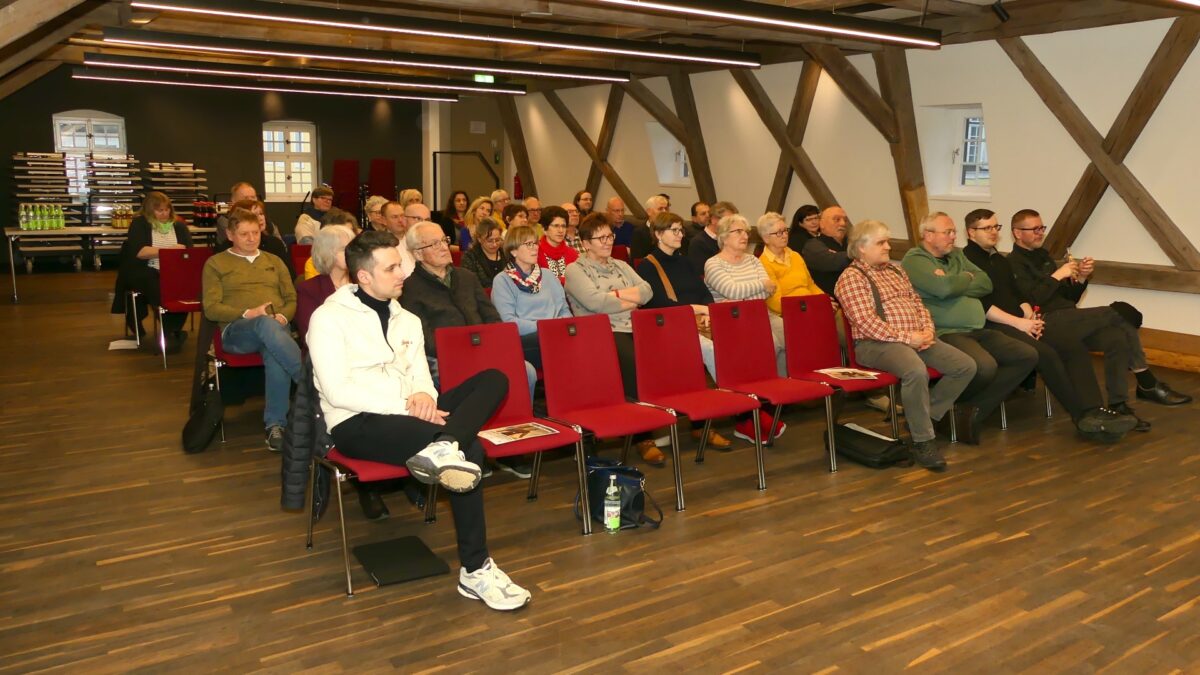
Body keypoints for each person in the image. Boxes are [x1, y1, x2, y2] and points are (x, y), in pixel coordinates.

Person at [307, 230, 530, 611]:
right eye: (392, 268)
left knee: (495, 379)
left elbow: (420, 377)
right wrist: (407, 404)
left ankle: (444, 444)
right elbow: (337, 391)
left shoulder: (406, 318)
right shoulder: (328, 319)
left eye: (400, 265)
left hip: (412, 410)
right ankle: (475, 570)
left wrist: (425, 395)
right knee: (471, 449)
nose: (402, 274)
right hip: (356, 422)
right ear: (364, 276)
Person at [962, 209, 1139, 441]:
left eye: (996, 227)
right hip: (996, 325)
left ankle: (1094, 410)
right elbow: (983, 305)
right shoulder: (967, 261)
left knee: (1071, 345)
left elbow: (1019, 296)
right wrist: (1021, 323)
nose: (993, 232)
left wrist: (1030, 317)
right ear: (971, 232)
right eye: (987, 228)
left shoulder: (998, 260)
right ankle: (1081, 417)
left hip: (1024, 321)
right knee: (1046, 355)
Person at [1006, 208, 1191, 414]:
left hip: (1069, 318)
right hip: (1044, 323)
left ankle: (1118, 404)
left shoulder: (1045, 257)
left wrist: (1082, 277)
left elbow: (1070, 298)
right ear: (1017, 233)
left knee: (1117, 337)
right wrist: (1057, 276)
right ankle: (1147, 384)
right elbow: (1032, 300)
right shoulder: (1012, 264)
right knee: (1121, 312)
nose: (1040, 233)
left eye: (1042, 228)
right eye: (1034, 229)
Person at [835, 219, 976, 472]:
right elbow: (866, 323)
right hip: (875, 344)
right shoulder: (851, 278)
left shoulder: (896, 271)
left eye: (887, 241)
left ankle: (922, 417)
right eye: (881, 242)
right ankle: (924, 441)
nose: (888, 247)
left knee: (964, 366)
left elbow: (918, 305)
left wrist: (927, 330)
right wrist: (907, 338)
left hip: (916, 338)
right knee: (915, 371)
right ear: (861, 248)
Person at [901, 212, 1039, 444]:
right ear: (928, 235)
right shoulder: (915, 260)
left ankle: (967, 410)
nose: (953, 237)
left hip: (977, 327)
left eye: (954, 232)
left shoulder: (956, 255)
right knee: (984, 367)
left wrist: (952, 279)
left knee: (1026, 355)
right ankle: (933, 413)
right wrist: (965, 277)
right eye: (948, 232)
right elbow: (942, 289)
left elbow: (985, 283)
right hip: (946, 331)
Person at [401, 221, 537, 401]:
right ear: (418, 253)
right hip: (445, 357)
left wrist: (490, 346)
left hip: (483, 348)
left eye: (444, 240)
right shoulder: (410, 289)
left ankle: (516, 416)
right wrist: (464, 351)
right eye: (434, 244)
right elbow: (424, 339)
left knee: (527, 370)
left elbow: (492, 318)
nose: (444, 247)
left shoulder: (466, 277)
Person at [202, 207, 301, 452]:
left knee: (273, 349)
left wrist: (283, 316)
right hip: (237, 332)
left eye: (255, 232)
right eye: (244, 234)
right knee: (265, 324)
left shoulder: (274, 261)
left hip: (275, 330)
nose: (251, 238)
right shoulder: (216, 263)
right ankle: (312, 383)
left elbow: (291, 298)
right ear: (230, 235)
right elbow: (211, 308)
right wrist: (248, 313)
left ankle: (275, 426)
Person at [564, 213, 660, 464]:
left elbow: (647, 291)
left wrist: (613, 295)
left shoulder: (621, 265)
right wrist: (628, 298)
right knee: (633, 360)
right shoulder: (576, 270)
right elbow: (595, 302)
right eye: (601, 238)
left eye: (610, 236)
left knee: (672, 352)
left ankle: (660, 417)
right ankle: (642, 436)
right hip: (600, 331)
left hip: (634, 325)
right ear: (586, 243)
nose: (608, 242)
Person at [635, 212, 732, 450]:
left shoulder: (685, 261)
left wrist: (707, 311)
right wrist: (699, 309)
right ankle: (734, 400)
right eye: (675, 230)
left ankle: (711, 418)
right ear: (658, 234)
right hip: (667, 327)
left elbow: (704, 291)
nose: (680, 235)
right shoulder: (648, 266)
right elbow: (660, 304)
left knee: (735, 340)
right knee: (710, 349)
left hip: (696, 322)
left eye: (681, 230)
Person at [704, 213, 787, 444]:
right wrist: (760, 285)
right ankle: (754, 411)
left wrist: (754, 290)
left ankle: (771, 402)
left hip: (758, 314)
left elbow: (769, 291)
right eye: (738, 231)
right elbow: (731, 291)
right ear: (723, 237)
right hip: (730, 320)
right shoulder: (713, 263)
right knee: (769, 343)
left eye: (746, 231)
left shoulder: (752, 260)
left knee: (788, 336)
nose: (745, 236)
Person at [112, 190, 194, 350]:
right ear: (150, 210)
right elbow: (140, 252)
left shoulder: (179, 226)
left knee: (184, 287)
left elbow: (188, 252)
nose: (164, 213)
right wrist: (169, 251)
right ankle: (170, 331)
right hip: (145, 269)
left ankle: (173, 329)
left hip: (173, 271)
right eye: (159, 210)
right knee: (157, 284)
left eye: (167, 209)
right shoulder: (139, 224)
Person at [492, 224, 572, 370]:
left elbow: (564, 310)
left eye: (535, 243)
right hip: (525, 339)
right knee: (559, 344)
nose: (535, 248)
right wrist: (545, 327)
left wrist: (560, 325)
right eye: (529, 244)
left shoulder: (547, 275)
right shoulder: (502, 280)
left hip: (554, 333)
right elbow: (508, 322)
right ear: (514, 251)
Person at [757, 211, 824, 316]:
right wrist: (808, 308)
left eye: (785, 230)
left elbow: (811, 285)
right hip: (789, 314)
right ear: (766, 238)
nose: (785, 235)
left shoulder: (795, 256)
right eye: (779, 233)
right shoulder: (763, 263)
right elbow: (775, 303)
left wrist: (823, 300)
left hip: (809, 306)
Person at [221, 199, 295, 279]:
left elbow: (289, 276)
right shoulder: (226, 248)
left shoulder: (275, 243)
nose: (261, 218)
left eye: (261, 214)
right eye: (255, 215)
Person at [802, 205, 851, 295]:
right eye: (837, 219)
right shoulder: (813, 245)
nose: (843, 223)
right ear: (822, 224)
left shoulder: (851, 243)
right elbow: (830, 261)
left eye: (845, 220)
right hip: (829, 300)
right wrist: (859, 255)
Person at [215, 181, 280, 245]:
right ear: (233, 201)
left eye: (253, 197)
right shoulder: (226, 221)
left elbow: (280, 243)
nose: (251, 201)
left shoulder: (266, 222)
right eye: (245, 198)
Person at [688, 200, 736, 274]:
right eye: (728, 221)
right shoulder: (698, 242)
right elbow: (702, 273)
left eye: (733, 221)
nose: (731, 225)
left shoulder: (729, 237)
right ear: (714, 220)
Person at [460, 218, 507, 289]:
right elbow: (470, 285)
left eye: (497, 240)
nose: (494, 244)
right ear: (479, 239)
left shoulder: (506, 254)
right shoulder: (470, 257)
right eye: (490, 241)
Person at [537, 205, 577, 283]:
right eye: (556, 226)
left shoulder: (572, 254)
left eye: (563, 226)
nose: (561, 230)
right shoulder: (535, 253)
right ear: (544, 229)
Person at [378, 200, 417, 280]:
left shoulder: (414, 238)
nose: (400, 220)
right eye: (395, 217)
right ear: (384, 220)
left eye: (402, 216)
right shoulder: (381, 245)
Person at [630, 194, 667, 259]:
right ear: (649, 212)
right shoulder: (639, 233)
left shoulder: (671, 230)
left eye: (666, 208)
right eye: (660, 209)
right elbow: (636, 260)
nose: (665, 212)